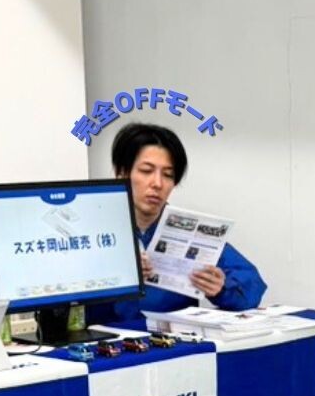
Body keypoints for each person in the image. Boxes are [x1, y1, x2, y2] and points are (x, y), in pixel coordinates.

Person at [99, 121, 265, 324]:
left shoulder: (186, 231)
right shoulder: (95, 230)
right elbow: (69, 303)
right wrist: (116, 277)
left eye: (168, 175)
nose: (157, 184)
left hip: (175, 339)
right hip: (108, 339)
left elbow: (252, 286)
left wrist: (222, 287)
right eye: (146, 171)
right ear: (122, 172)